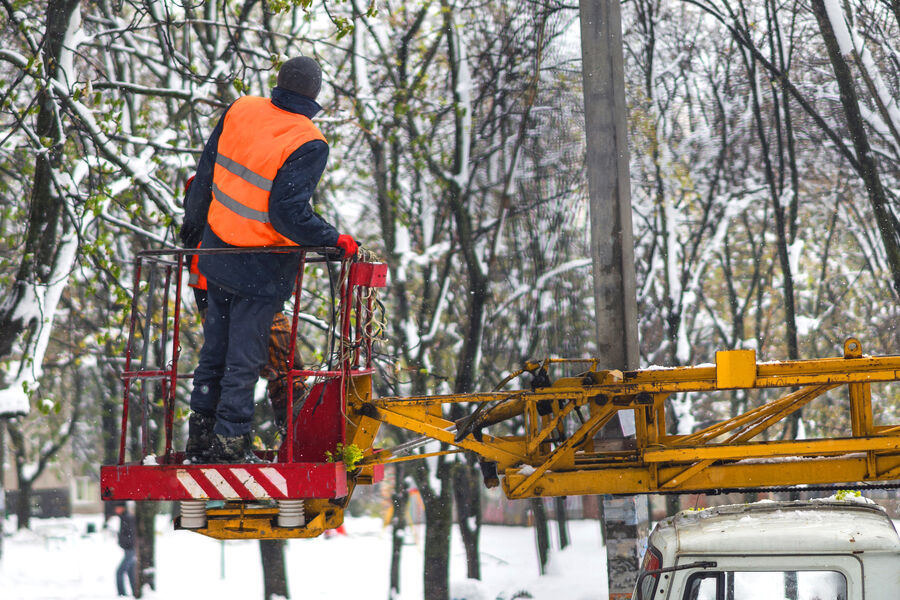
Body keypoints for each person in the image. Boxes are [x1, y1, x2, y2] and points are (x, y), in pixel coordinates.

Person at [179, 56, 357, 463]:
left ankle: (201, 439)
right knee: (244, 360)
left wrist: (195, 227)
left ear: (279, 81)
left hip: (217, 252)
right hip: (260, 268)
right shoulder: (308, 141)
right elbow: (286, 213)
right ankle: (230, 445)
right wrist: (334, 239)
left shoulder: (241, 109)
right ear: (315, 95)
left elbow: (205, 176)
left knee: (215, 354)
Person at [114, 502, 136, 597]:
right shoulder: (124, 517)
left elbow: (131, 534)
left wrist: (126, 543)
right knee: (130, 572)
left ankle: (121, 594)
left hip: (130, 549)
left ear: (122, 508)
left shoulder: (127, 518)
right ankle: (135, 591)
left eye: (117, 507)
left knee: (119, 572)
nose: (116, 510)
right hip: (129, 549)